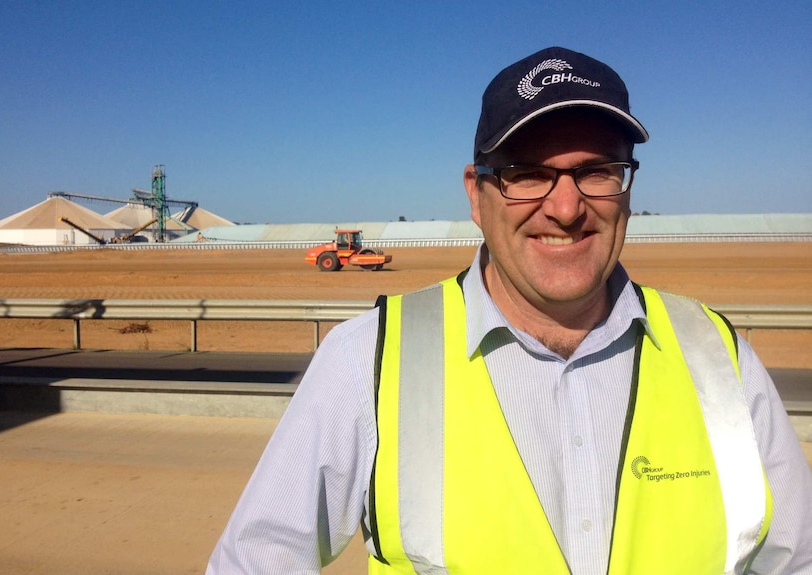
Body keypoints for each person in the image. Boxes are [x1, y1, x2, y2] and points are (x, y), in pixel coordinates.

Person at [206, 46, 812, 574]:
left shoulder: (720, 360)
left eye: (597, 171)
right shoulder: (367, 362)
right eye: (527, 175)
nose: (567, 208)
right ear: (477, 193)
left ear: (628, 187)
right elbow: (258, 558)